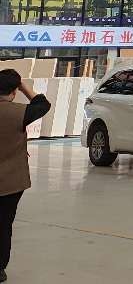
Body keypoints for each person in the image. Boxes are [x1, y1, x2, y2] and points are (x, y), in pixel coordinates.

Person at [0, 70, 49, 282]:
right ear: (14, 91)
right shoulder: (21, 113)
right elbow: (43, 104)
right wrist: (25, 88)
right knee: (4, 225)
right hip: (11, 182)